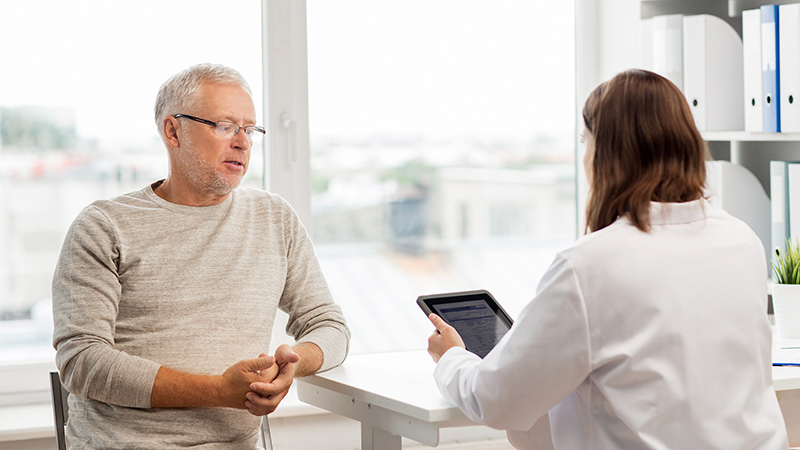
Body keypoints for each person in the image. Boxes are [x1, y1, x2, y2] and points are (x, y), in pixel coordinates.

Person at [426, 69, 789, 449]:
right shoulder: (742, 239)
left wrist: (452, 357)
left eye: (587, 141)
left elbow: (494, 401)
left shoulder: (590, 266)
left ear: (607, 154)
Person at [52, 63, 350, 449]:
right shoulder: (104, 226)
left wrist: (290, 363)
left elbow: (330, 326)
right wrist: (217, 391)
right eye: (225, 126)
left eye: (250, 129)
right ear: (173, 131)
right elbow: (82, 361)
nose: (243, 142)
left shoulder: (274, 218)